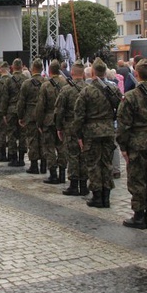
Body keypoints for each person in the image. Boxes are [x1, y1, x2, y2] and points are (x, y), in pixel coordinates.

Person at [117, 59, 147, 229]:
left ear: (136, 74)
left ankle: (139, 215)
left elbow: (124, 123)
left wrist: (123, 146)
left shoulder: (130, 96)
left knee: (137, 180)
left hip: (136, 143)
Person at [72, 58, 122, 208]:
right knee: (106, 164)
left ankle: (97, 197)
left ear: (92, 72)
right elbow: (121, 109)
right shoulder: (113, 89)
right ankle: (106, 196)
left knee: (93, 165)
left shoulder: (86, 90)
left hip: (91, 132)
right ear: (105, 72)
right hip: (108, 130)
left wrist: (79, 134)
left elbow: (79, 115)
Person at [57, 61, 89, 196]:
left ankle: (74, 185)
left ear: (72, 73)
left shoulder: (66, 89)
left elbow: (59, 111)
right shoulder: (89, 89)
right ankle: (84, 185)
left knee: (73, 155)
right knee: (84, 155)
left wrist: (59, 127)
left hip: (70, 126)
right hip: (86, 126)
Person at [35, 60, 68, 184]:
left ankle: (53, 174)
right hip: (62, 120)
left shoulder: (46, 85)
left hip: (48, 120)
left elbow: (40, 106)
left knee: (49, 148)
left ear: (49, 70)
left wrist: (39, 122)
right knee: (61, 147)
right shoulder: (65, 83)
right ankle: (63, 173)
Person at [17, 59, 46, 174]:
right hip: (43, 115)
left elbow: (21, 102)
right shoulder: (46, 82)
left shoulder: (27, 84)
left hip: (30, 115)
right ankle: (44, 165)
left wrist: (20, 116)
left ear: (32, 68)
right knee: (44, 140)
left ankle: (34, 165)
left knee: (32, 140)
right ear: (42, 68)